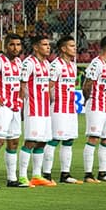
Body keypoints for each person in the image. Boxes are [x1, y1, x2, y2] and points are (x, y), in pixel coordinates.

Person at [0, 33, 25, 187]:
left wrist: (20, 99)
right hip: (1, 107)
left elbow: (22, 82)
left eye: (18, 44)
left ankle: (12, 179)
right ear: (5, 46)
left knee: (13, 142)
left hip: (15, 107)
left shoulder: (19, 62)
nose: (16, 48)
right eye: (12, 44)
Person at [18, 34, 57, 187]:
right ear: (35, 47)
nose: (48, 47)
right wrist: (21, 104)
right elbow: (22, 85)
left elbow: (48, 86)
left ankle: (36, 175)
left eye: (49, 44)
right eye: (45, 44)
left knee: (42, 142)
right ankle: (22, 176)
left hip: (44, 109)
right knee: (30, 142)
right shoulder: (28, 63)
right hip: (32, 108)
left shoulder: (47, 64)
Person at [81, 36, 106, 183]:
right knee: (93, 138)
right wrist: (89, 101)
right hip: (96, 106)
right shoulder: (96, 64)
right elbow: (87, 84)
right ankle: (88, 175)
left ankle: (103, 173)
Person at [43, 36, 80, 184]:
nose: (75, 48)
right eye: (71, 46)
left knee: (69, 140)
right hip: (58, 108)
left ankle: (65, 174)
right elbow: (48, 86)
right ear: (63, 49)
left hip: (71, 109)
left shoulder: (73, 65)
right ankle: (46, 174)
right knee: (54, 140)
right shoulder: (55, 65)